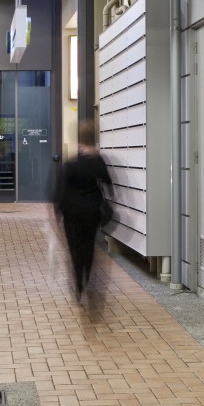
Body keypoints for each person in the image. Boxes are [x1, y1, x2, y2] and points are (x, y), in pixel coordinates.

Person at [53, 118, 112, 301]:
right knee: (88, 246)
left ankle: (78, 281)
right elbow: (108, 183)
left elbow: (60, 192)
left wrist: (57, 213)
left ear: (79, 138)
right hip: (91, 211)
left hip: (71, 213)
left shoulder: (70, 164)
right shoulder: (98, 161)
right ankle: (87, 277)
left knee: (74, 248)